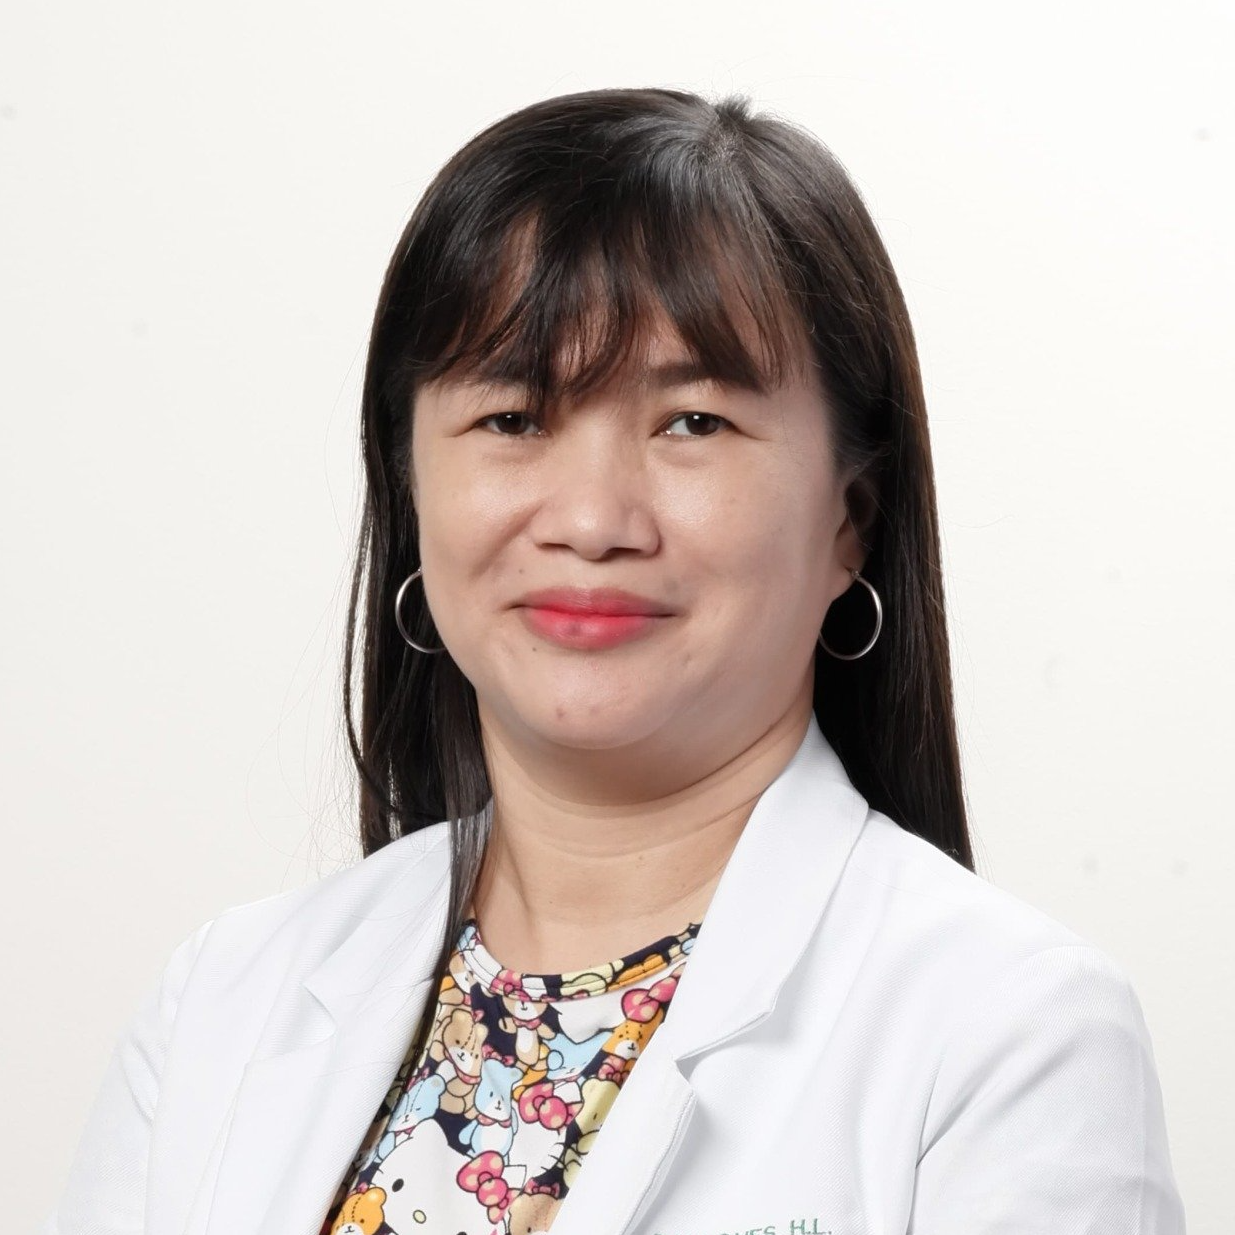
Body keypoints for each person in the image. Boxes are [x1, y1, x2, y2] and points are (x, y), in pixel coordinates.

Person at [43, 87, 1186, 1235]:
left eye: (692, 421)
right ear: (409, 489)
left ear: (849, 517)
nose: (591, 519)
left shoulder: (1010, 1033)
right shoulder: (219, 1006)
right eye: (513, 416)